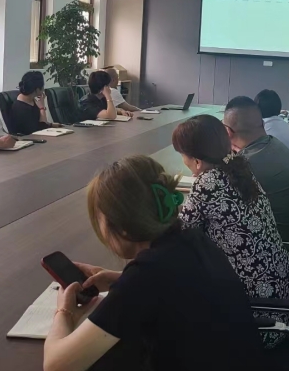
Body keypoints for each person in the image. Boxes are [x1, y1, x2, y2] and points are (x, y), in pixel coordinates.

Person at [43, 155, 266, 371]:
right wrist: (118, 280)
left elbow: (56, 365)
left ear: (122, 228)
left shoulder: (145, 276)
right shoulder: (190, 236)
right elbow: (177, 284)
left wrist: (64, 311)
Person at [172, 114, 289, 347]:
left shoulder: (206, 183)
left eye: (182, 155)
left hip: (255, 318)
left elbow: (177, 238)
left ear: (197, 161)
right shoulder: (240, 168)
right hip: (284, 299)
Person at [224, 96, 289, 243]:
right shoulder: (275, 144)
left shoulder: (246, 165)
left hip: (280, 244)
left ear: (228, 132)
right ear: (263, 124)